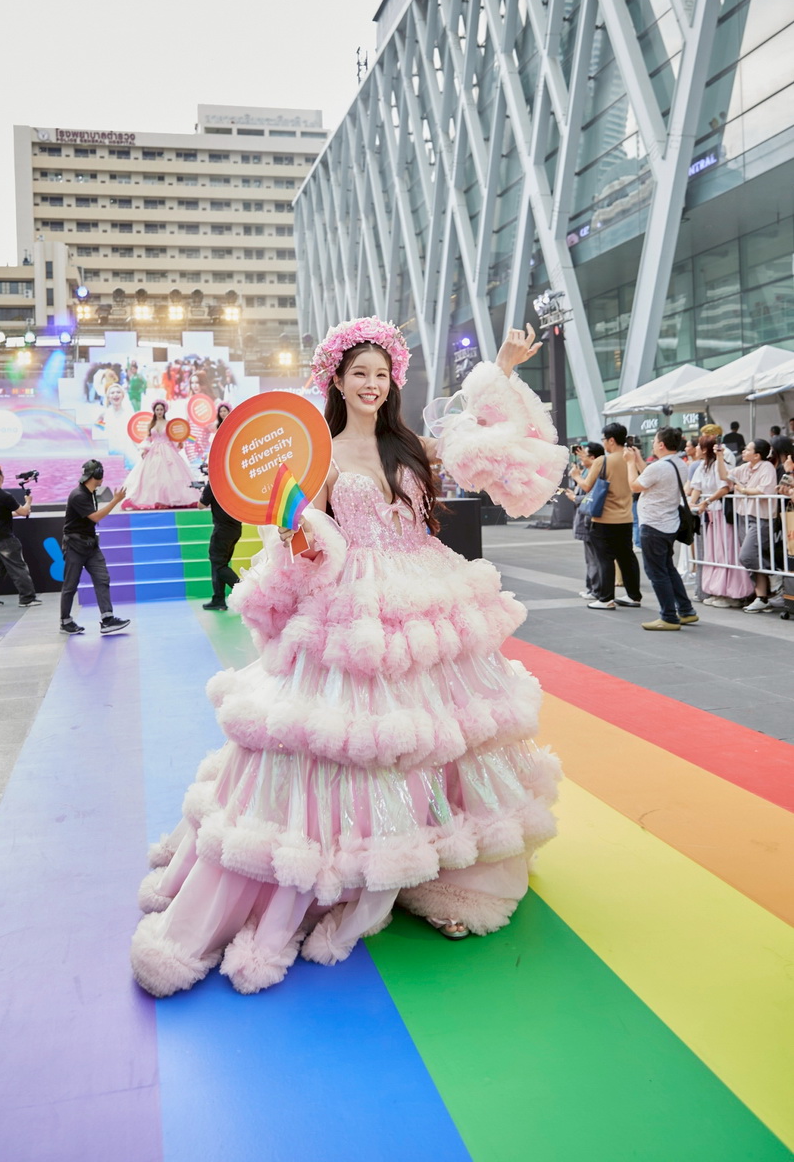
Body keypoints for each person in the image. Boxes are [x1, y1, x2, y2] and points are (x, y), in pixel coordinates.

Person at [129, 320, 567, 997]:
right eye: (358, 372)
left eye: (381, 373)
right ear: (336, 379)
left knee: (444, 734)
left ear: (393, 380)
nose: (371, 384)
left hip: (427, 597)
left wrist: (501, 371)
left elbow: (474, 441)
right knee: (350, 743)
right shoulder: (317, 454)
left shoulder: (410, 446)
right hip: (352, 609)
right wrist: (300, 534)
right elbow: (300, 541)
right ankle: (356, 860)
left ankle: (444, 866)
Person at [624, 428, 698, 630]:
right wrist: (638, 460)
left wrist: (630, 463)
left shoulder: (659, 467)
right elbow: (649, 475)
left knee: (656, 572)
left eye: (655, 441)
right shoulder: (677, 464)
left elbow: (635, 486)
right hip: (668, 523)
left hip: (653, 524)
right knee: (668, 568)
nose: (654, 444)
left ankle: (668, 617)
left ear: (661, 445)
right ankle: (686, 610)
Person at [571, 421, 643, 611]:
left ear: (611, 440)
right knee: (627, 558)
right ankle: (633, 596)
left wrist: (576, 475)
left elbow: (586, 487)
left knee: (604, 559)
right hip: (626, 518)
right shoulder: (631, 459)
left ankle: (606, 598)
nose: (603, 443)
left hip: (603, 519)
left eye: (604, 439)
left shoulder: (602, 461)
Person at [59, 459, 130, 635]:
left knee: (102, 578)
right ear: (96, 475)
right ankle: (65, 621)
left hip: (90, 545)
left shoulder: (90, 493)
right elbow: (96, 517)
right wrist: (115, 501)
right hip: (75, 545)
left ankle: (107, 619)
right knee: (70, 584)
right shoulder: (79, 495)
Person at [689, 436, 752, 607]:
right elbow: (697, 487)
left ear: (703, 449)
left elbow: (724, 487)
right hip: (712, 515)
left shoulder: (718, 465)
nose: (694, 448)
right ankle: (719, 590)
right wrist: (692, 503)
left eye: (697, 446)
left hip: (722, 514)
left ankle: (732, 593)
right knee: (715, 553)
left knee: (726, 552)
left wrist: (705, 501)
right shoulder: (703, 466)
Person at [719, 439, 780, 613]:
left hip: (761, 517)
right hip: (744, 516)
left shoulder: (766, 467)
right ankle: (762, 597)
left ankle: (775, 574)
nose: (743, 451)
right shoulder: (744, 468)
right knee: (753, 557)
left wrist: (744, 489)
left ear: (757, 455)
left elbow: (764, 491)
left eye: (747, 449)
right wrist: (718, 457)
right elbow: (725, 476)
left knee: (747, 556)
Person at [0, 465, 42, 608]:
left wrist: (23, 509)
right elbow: (24, 512)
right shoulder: (4, 496)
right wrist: (28, 501)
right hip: (5, 538)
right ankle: (27, 598)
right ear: (1, 476)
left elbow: (3, 514)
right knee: (18, 567)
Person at [122, 399, 196, 509]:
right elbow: (148, 438)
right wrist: (144, 450)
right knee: (152, 477)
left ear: (164, 410)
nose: (159, 411)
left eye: (161, 409)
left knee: (170, 476)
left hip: (168, 451)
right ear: (154, 411)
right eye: (157, 409)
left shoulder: (169, 423)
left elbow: (173, 437)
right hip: (153, 451)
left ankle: (171, 499)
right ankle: (155, 499)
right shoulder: (151, 424)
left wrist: (179, 442)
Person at [199, 469, 242, 611]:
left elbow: (201, 505)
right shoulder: (233, 484)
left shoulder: (213, 485)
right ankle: (218, 599)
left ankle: (243, 591)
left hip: (222, 530)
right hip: (235, 529)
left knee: (219, 565)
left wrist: (204, 492)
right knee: (220, 563)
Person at [568, 442, 604, 598]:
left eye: (585, 454)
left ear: (594, 458)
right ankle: (592, 588)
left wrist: (575, 497)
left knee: (594, 558)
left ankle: (596, 590)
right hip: (585, 519)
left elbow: (592, 496)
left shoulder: (595, 473)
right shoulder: (588, 472)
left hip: (589, 520)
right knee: (591, 558)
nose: (581, 457)